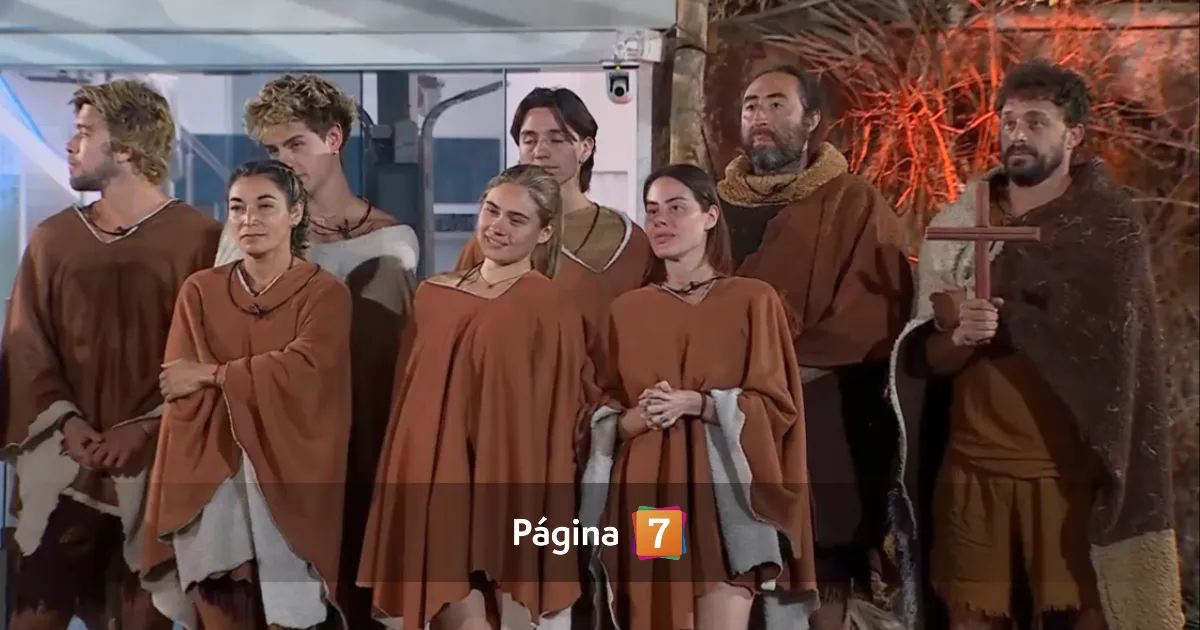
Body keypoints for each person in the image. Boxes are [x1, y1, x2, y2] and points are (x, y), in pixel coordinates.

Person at [888, 60, 1183, 630]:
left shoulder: (1107, 227)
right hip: (973, 472)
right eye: (1008, 121)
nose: (1017, 134)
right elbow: (928, 361)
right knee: (970, 618)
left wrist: (1014, 319)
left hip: (1067, 481)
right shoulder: (960, 223)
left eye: (1036, 122)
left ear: (1074, 135)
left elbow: (1114, 360)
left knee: (1078, 618)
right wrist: (961, 336)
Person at [0, 79, 222, 630]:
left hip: (156, 475)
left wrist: (146, 429)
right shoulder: (52, 240)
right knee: (33, 617)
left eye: (84, 132)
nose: (70, 145)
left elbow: (214, 352)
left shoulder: (201, 240)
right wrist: (67, 422)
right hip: (61, 470)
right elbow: (26, 342)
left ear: (125, 148)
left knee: (141, 618)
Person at [216, 73, 420, 628]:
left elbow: (395, 361)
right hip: (273, 437)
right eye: (272, 150)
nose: (285, 160)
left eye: (295, 144)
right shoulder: (246, 236)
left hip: (362, 439)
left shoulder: (392, 242)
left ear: (333, 139)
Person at [717, 65, 915, 628]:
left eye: (777, 104)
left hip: (818, 420)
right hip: (721, 420)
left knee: (821, 568)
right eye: (751, 105)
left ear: (811, 120)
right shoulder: (709, 207)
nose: (760, 116)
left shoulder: (853, 204)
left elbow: (874, 314)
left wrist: (775, 369)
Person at [581, 164, 818, 630]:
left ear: (710, 217)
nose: (660, 221)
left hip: (725, 498)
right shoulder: (626, 311)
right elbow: (602, 414)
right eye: (652, 210)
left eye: (676, 208)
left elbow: (779, 408)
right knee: (657, 613)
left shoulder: (753, 300)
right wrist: (642, 415)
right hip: (653, 494)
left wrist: (700, 404)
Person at [358, 164, 587, 630]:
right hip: (430, 476)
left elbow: (554, 413)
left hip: (507, 482)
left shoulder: (549, 306)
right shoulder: (432, 294)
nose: (497, 227)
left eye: (516, 220)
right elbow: (407, 396)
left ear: (545, 232)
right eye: (491, 211)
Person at [140, 160, 353, 630]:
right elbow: (179, 386)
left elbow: (308, 371)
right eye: (237, 207)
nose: (248, 219)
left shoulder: (325, 294)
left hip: (291, 473)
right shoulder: (200, 291)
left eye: (265, 206)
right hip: (211, 471)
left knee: (290, 617)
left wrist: (214, 374)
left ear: (295, 213)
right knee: (220, 604)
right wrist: (229, 381)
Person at [455, 87, 653, 349]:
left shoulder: (628, 240)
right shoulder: (494, 241)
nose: (540, 152)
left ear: (585, 148)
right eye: (529, 140)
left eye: (557, 140)